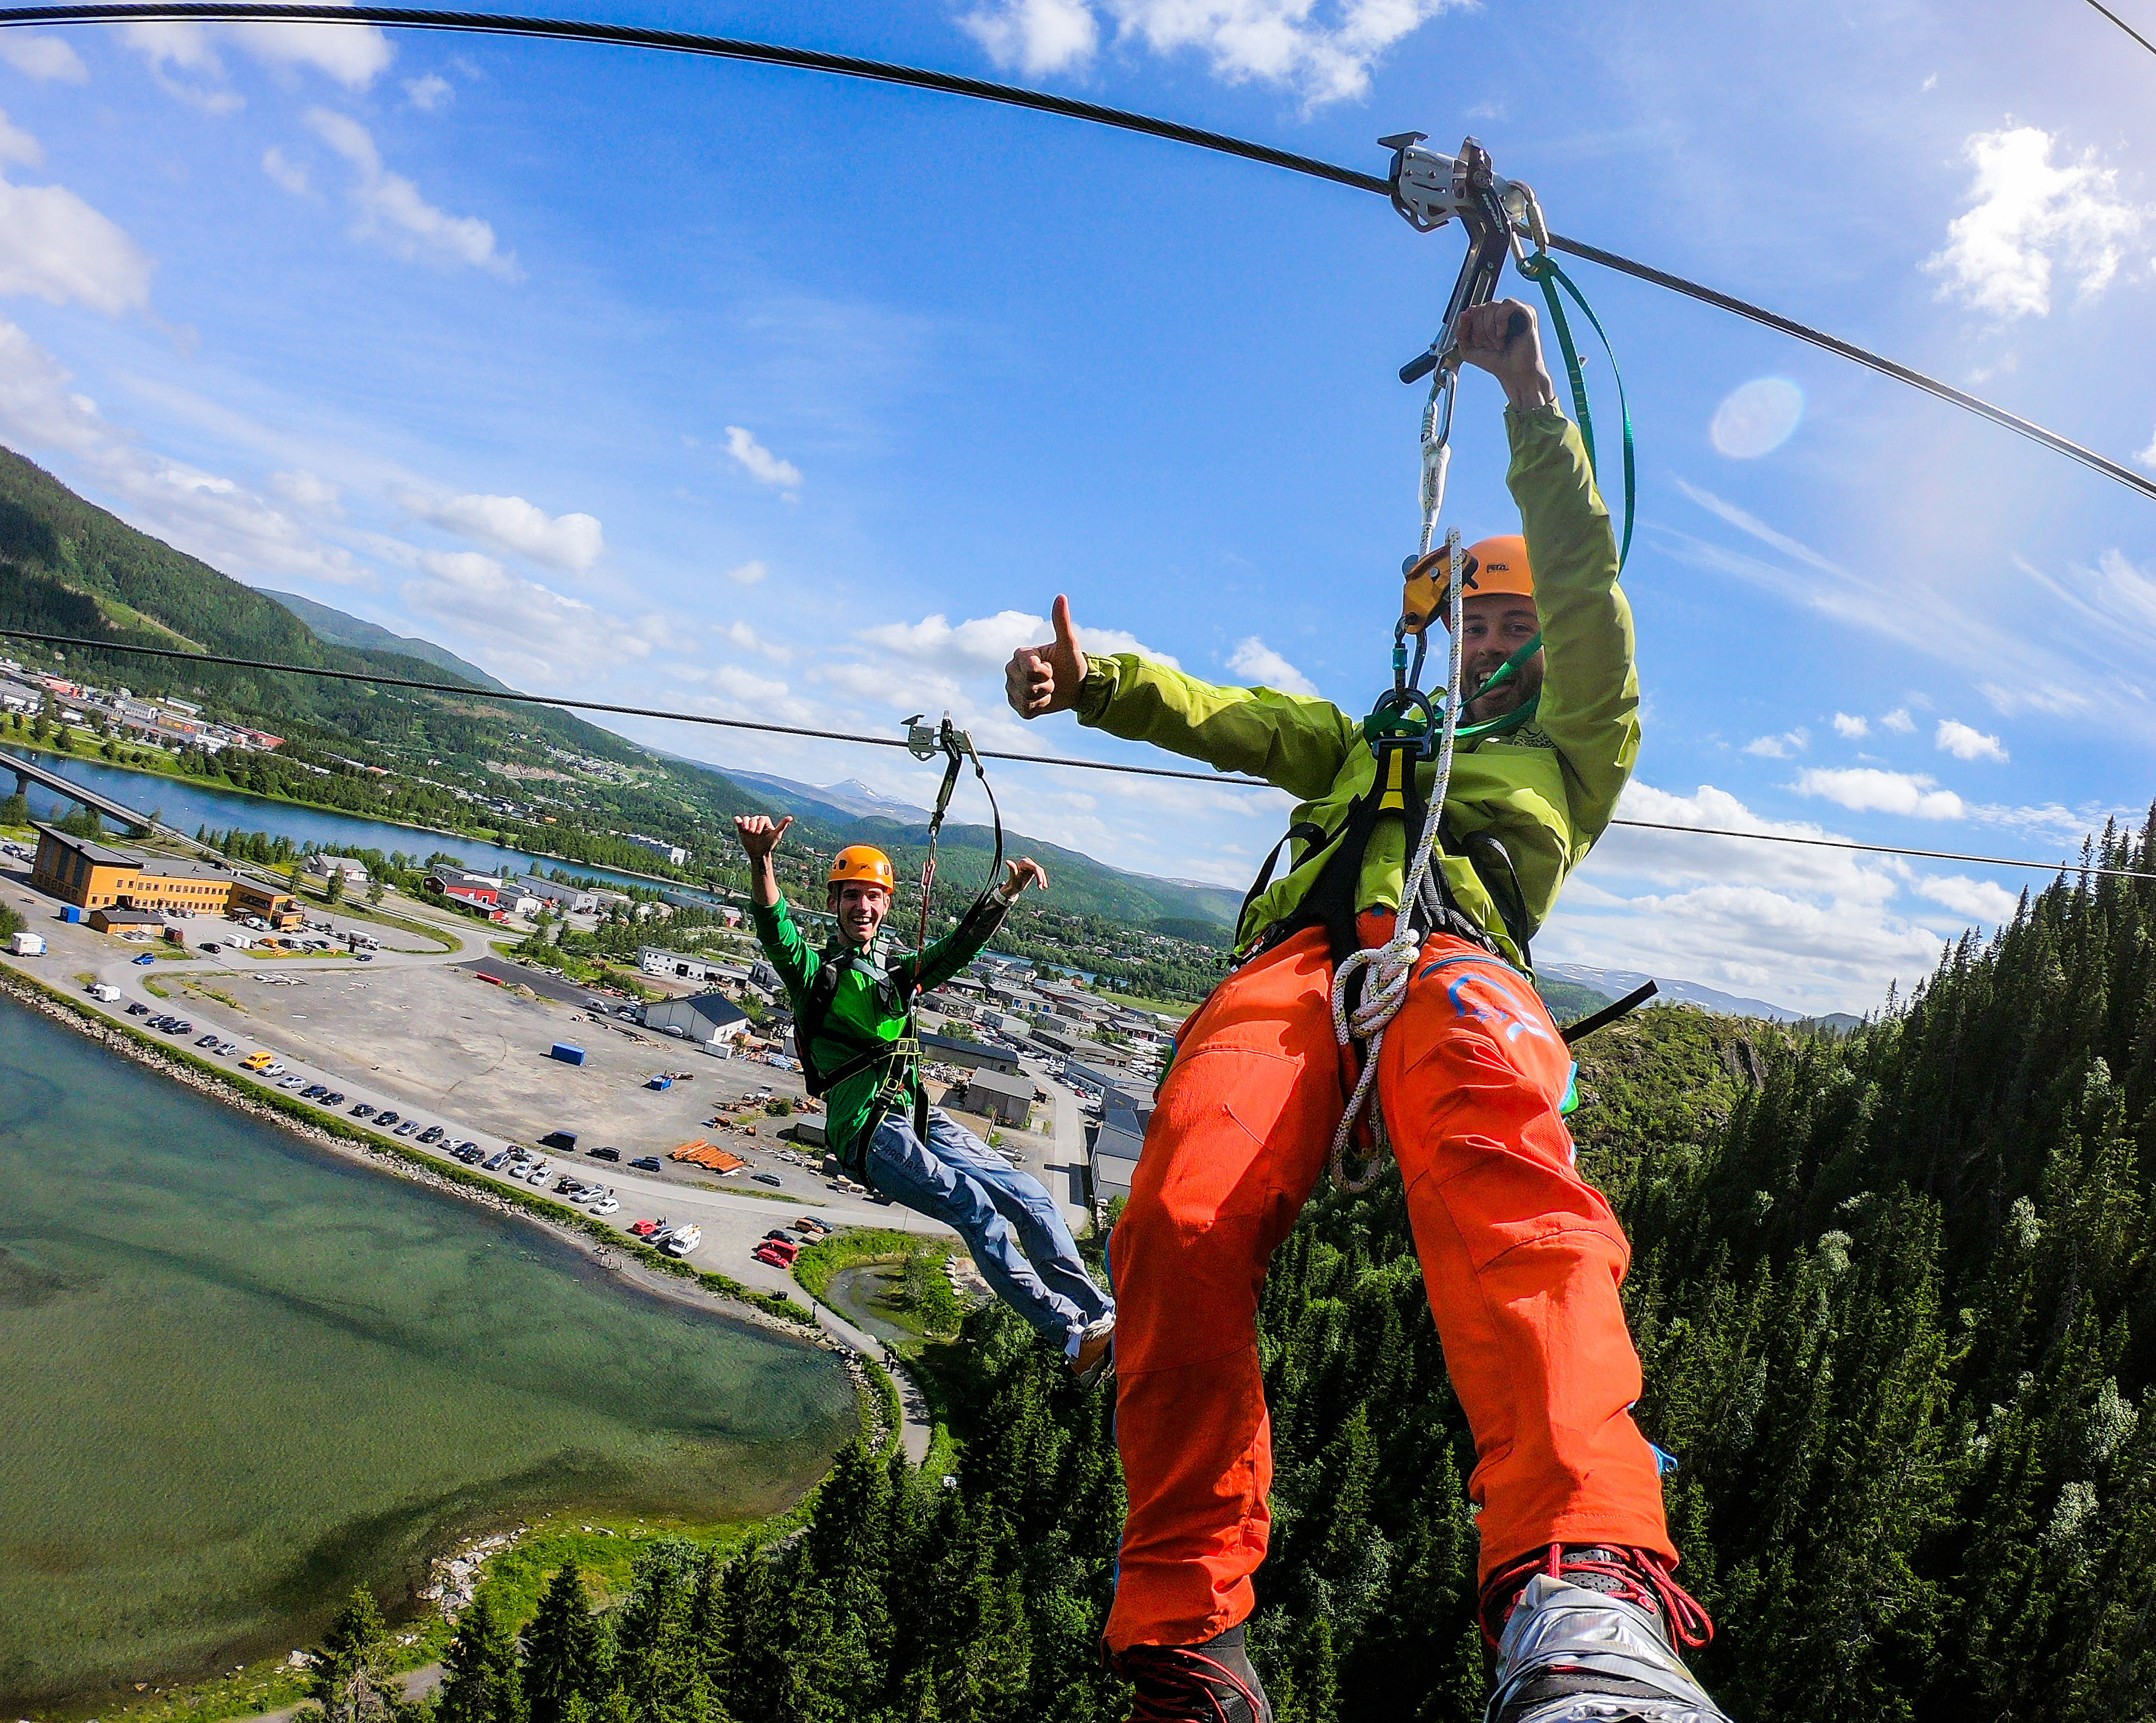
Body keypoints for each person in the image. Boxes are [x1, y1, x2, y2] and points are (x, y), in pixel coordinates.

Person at [1004, 300, 1729, 1723]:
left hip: (1455, 956)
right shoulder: (1364, 742)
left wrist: (1528, 400)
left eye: (1515, 627)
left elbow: (1589, 589)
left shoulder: (1578, 748)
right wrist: (1100, 685)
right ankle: (1191, 1637)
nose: (1492, 643)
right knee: (1175, 1220)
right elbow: (1232, 716)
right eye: (1477, 625)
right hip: (1294, 971)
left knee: (1505, 1178)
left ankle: (1584, 1575)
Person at [735, 814, 1115, 1381]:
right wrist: (761, 859)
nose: (862, 906)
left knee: (1030, 1196)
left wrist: (1006, 895)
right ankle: (1069, 1334)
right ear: (834, 904)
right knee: (974, 1207)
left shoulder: (894, 974)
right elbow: (776, 928)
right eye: (851, 896)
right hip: (868, 1131)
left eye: (873, 896)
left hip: (916, 1117)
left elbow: (955, 950)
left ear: (885, 906)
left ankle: (1100, 1317)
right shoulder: (817, 975)